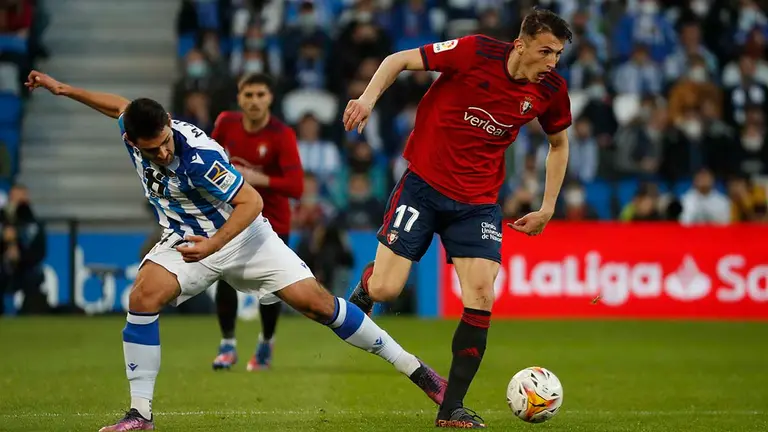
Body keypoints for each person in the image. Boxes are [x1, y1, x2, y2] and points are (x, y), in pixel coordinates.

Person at [24, 70, 447, 432]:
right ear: (133, 141)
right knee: (142, 297)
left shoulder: (199, 157)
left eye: (166, 141)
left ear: (171, 125)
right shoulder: (135, 129)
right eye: (153, 148)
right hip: (185, 240)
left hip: (244, 236)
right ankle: (140, 413)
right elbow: (119, 105)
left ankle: (419, 372)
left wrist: (212, 244)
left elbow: (252, 202)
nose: (164, 151)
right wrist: (63, 89)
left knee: (318, 305)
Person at [343, 9, 573, 429]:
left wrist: (548, 206)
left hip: (478, 202)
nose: (552, 62)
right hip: (423, 186)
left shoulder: (552, 89)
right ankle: (368, 283)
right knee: (387, 289)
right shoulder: (474, 51)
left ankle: (451, 408)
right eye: (546, 51)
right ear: (521, 45)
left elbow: (559, 144)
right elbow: (397, 60)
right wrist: (367, 99)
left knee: (482, 295)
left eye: (558, 54)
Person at [210, 72, 303, 371]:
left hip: (273, 220)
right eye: (248, 95)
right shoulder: (226, 123)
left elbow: (296, 187)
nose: (254, 101)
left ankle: (266, 342)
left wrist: (254, 178)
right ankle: (228, 345)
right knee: (222, 275)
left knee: (270, 289)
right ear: (239, 98)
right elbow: (210, 155)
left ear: (270, 98)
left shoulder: (281, 135)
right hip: (235, 214)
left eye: (260, 95)